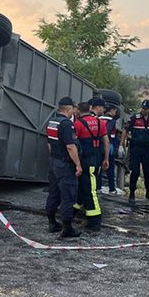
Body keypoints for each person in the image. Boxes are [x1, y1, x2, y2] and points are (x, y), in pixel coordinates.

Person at [46, 97, 83, 237]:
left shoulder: (52, 122)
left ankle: (52, 222)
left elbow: (49, 144)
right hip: (65, 164)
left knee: (53, 193)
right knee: (68, 195)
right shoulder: (67, 124)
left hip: (54, 162)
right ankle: (67, 228)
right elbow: (70, 146)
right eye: (73, 108)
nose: (74, 111)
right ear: (69, 109)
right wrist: (78, 164)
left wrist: (53, 158)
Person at [73, 102, 109, 231]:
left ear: (78, 111)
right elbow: (106, 142)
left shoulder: (77, 124)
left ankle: (95, 222)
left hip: (85, 161)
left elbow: (73, 144)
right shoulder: (100, 122)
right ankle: (73, 211)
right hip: (97, 159)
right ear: (89, 109)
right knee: (84, 188)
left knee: (90, 191)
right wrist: (106, 159)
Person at [120, 99, 149, 206]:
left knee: (148, 171)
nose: (143, 110)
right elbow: (125, 130)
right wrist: (121, 145)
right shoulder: (135, 118)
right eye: (142, 108)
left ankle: (148, 192)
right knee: (135, 171)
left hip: (147, 148)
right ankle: (132, 193)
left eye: (146, 109)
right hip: (136, 148)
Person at [99, 105, 124, 195]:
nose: (116, 113)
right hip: (109, 145)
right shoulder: (112, 121)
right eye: (115, 111)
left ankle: (98, 187)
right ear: (112, 110)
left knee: (99, 167)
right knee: (110, 167)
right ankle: (112, 188)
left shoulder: (99, 118)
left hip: (98, 145)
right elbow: (107, 132)